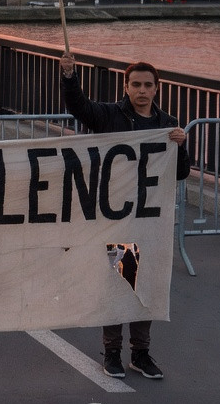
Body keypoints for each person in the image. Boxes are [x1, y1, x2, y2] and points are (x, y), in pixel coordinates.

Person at [60, 53, 191, 381]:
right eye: (136, 85)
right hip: (118, 217)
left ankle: (141, 354)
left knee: (146, 285)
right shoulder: (109, 116)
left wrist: (181, 146)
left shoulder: (166, 123)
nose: (142, 91)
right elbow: (79, 107)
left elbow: (179, 172)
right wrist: (69, 76)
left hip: (150, 221)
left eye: (148, 85)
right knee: (119, 282)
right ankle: (112, 352)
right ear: (126, 87)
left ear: (157, 88)